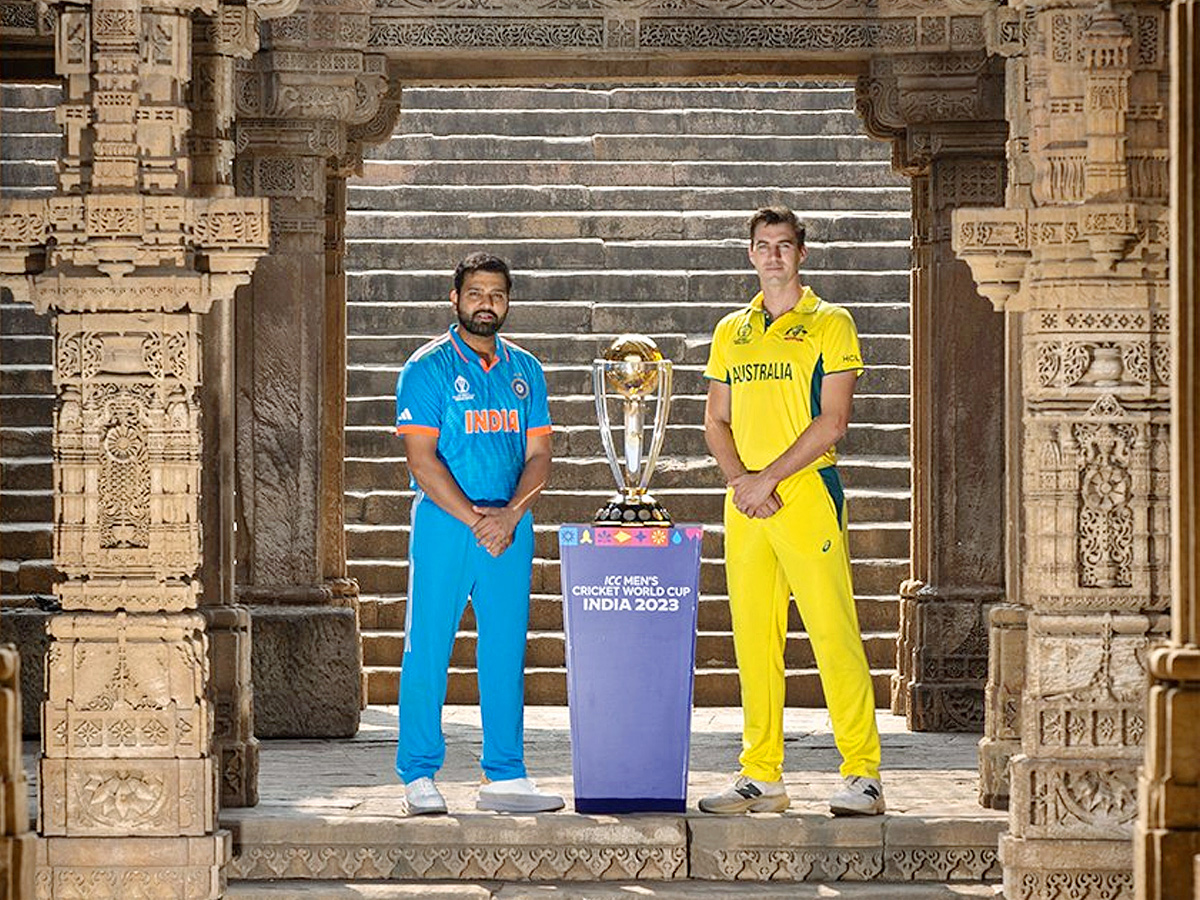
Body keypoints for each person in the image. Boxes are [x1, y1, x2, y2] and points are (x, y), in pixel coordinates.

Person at [699, 206, 884, 816]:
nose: (773, 256)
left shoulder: (830, 322)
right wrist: (741, 482)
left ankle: (862, 774)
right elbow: (715, 420)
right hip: (747, 504)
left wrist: (768, 478)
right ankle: (761, 775)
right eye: (762, 245)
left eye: (783, 245)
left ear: (801, 253)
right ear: (750, 254)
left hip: (804, 495)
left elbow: (833, 422)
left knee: (833, 633)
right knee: (754, 641)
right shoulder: (732, 330)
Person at [393, 251, 564, 815]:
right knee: (428, 648)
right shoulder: (428, 367)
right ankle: (419, 773)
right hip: (447, 525)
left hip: (510, 526)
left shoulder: (526, 371)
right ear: (455, 300)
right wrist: (477, 520)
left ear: (507, 301)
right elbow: (422, 460)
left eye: (496, 294)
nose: (485, 303)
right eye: (475, 294)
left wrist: (511, 515)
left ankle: (506, 774)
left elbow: (539, 455)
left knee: (505, 649)